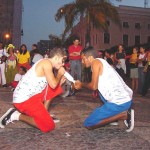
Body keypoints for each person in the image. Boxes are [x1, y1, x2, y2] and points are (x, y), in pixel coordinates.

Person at [0, 47, 67, 133]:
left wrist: (59, 82)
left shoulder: (46, 63)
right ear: (58, 57)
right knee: (49, 126)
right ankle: (15, 115)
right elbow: (53, 85)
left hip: (31, 96)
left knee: (54, 88)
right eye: (62, 61)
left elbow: (50, 88)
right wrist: (59, 74)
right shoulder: (46, 63)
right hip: (24, 99)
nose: (63, 64)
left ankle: (44, 114)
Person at [74, 47, 134, 132]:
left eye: (83, 59)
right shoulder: (101, 61)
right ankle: (115, 113)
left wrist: (81, 84)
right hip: (126, 99)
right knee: (100, 93)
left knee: (88, 124)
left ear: (90, 58)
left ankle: (123, 115)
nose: (82, 62)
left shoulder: (95, 62)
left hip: (120, 103)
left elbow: (94, 86)